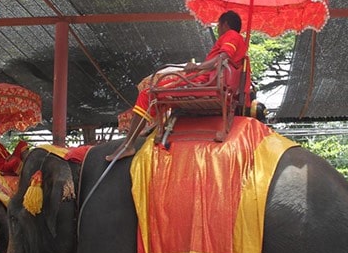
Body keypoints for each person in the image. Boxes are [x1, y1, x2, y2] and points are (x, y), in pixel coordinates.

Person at [106, 10, 248, 161]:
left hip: (201, 83)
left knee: (147, 93)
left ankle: (128, 144)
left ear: (225, 24)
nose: (218, 30)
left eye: (218, 26)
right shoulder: (238, 40)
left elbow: (223, 57)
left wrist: (197, 67)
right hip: (203, 80)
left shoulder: (231, 36)